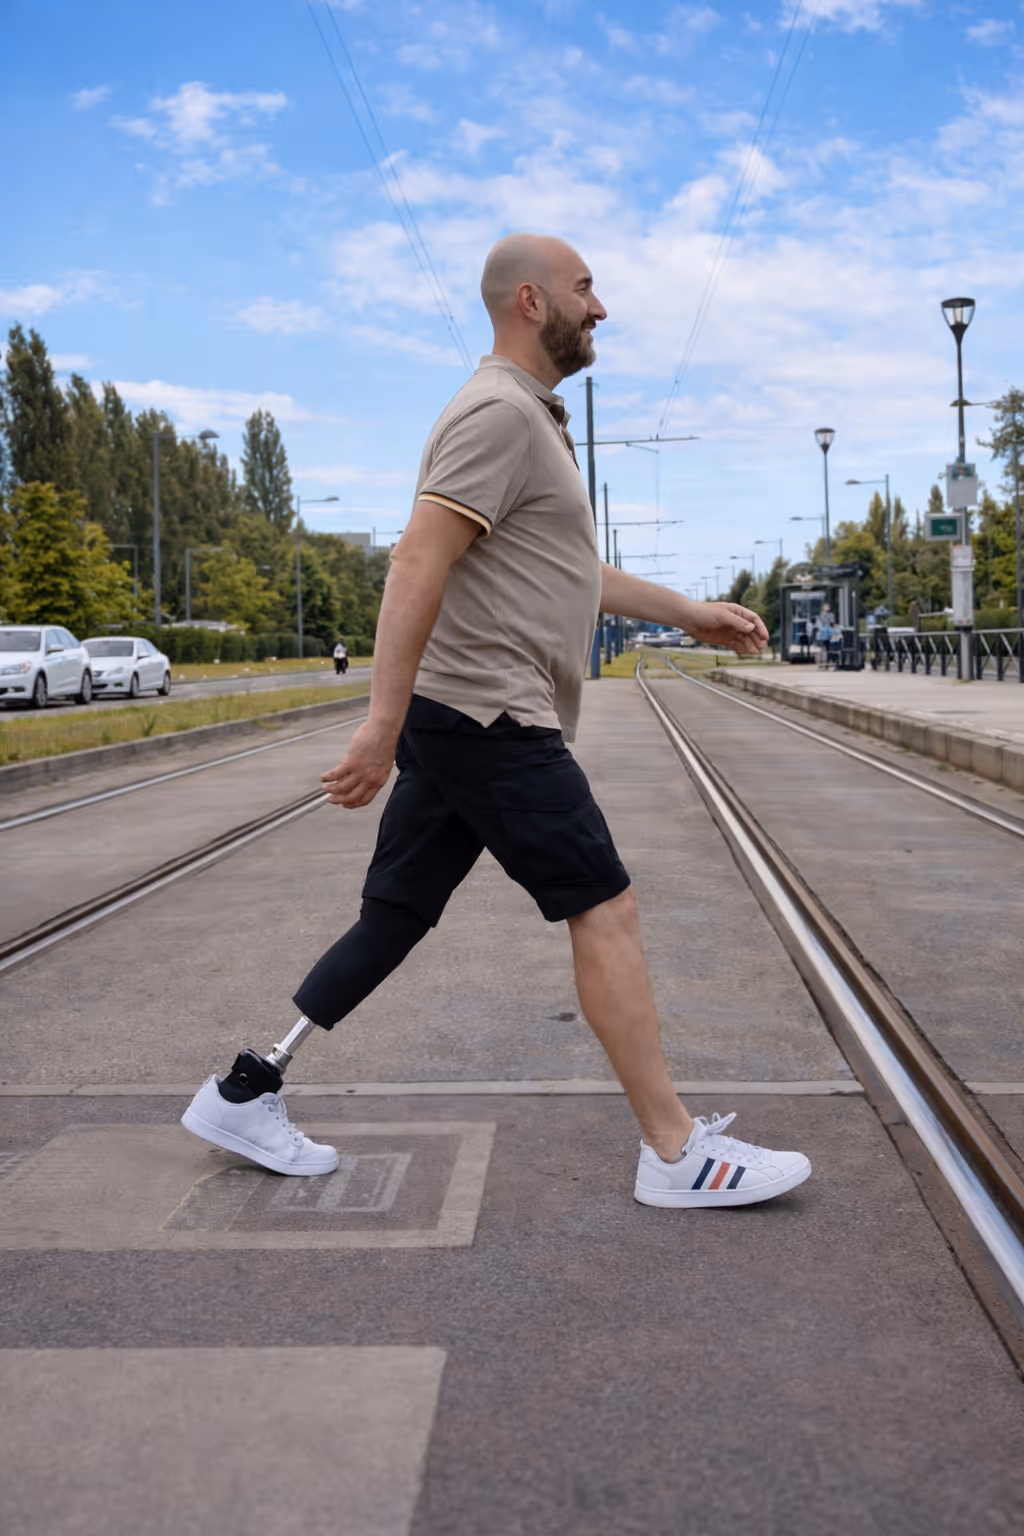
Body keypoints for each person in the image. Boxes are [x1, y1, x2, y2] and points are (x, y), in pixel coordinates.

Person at [181, 233, 811, 1210]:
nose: (599, 309)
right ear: (531, 300)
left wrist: (686, 611)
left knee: (393, 917)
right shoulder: (495, 414)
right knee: (603, 905)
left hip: (459, 715)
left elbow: (564, 573)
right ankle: (673, 1150)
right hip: (488, 715)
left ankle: (243, 1092)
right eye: (585, 289)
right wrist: (378, 723)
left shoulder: (525, 420)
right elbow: (416, 560)